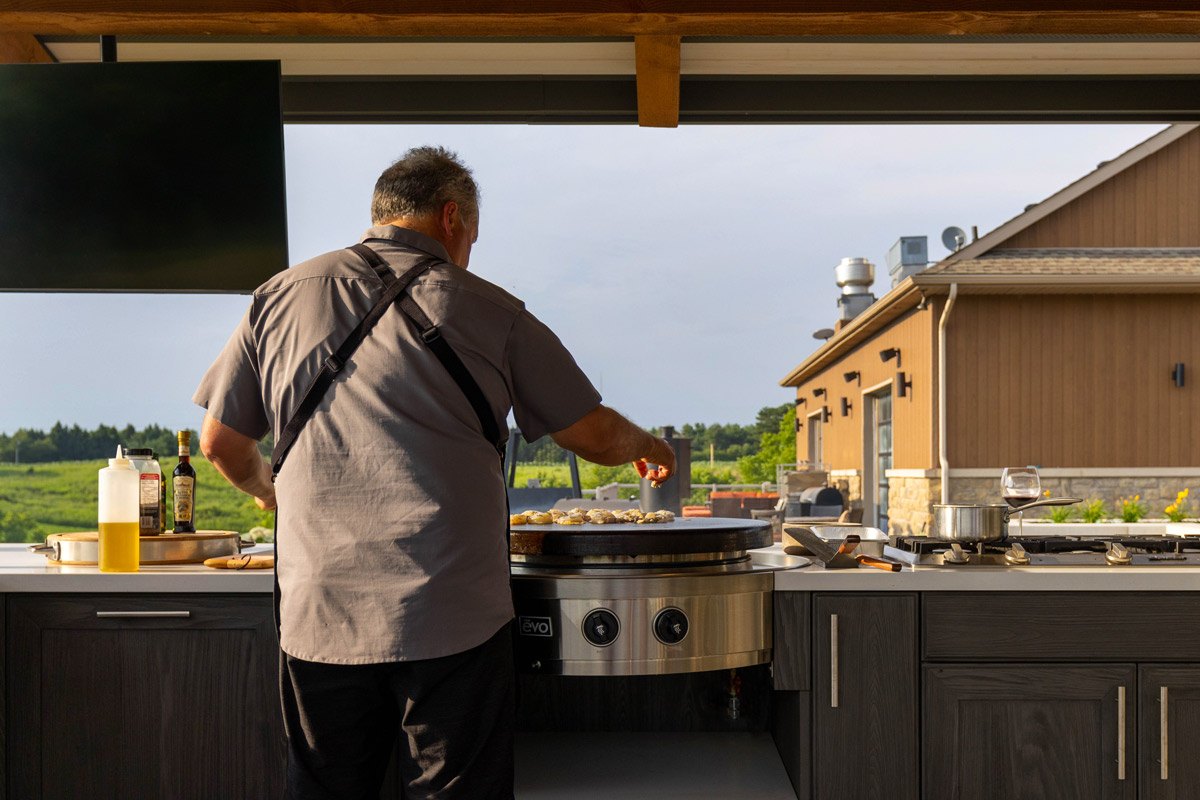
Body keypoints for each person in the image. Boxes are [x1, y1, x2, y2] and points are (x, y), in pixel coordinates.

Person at [193, 145, 676, 800]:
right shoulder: (493, 310)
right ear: (452, 217)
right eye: (471, 235)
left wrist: (269, 494)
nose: (469, 250)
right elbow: (589, 431)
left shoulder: (278, 298)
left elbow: (221, 443)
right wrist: (648, 443)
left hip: (320, 609)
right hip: (453, 610)